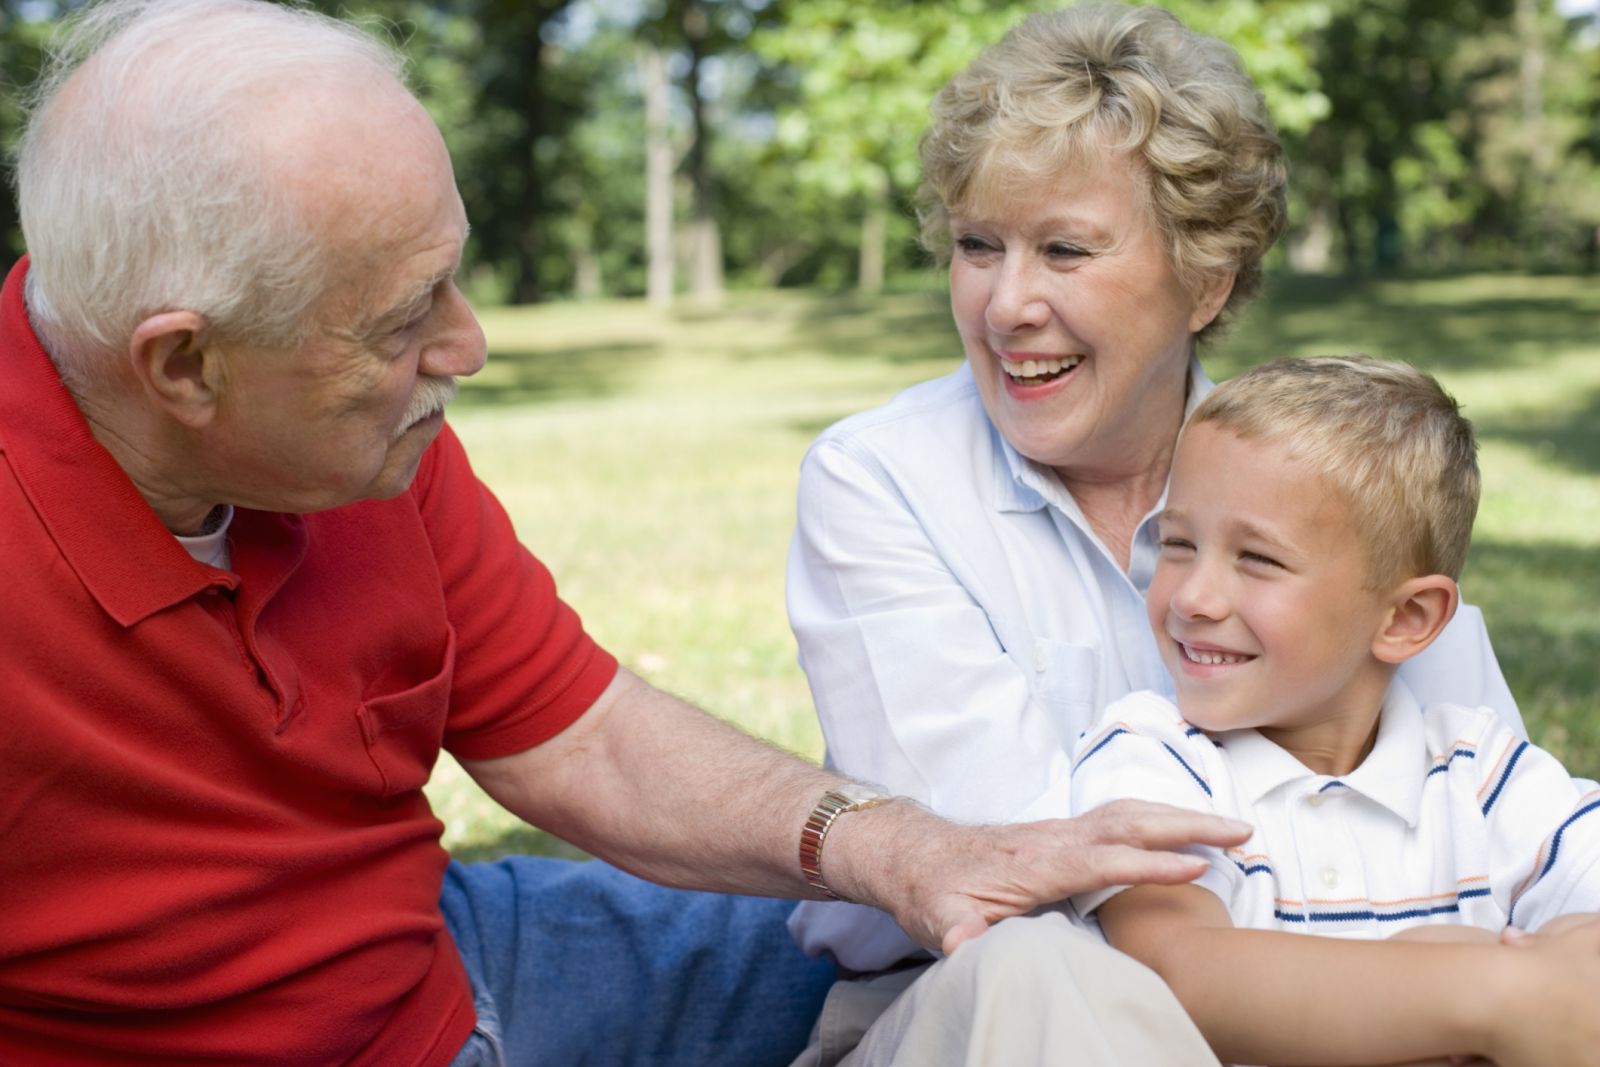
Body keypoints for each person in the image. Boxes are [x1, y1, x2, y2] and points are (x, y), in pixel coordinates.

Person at [0, 1, 1254, 1064]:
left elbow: (582, 737)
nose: (467, 345)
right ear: (184, 365)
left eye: (450, 274)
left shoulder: (369, 446)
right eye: (400, 323)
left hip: (454, 945)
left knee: (964, 952)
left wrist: (900, 848)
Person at [786, 2, 1525, 1061]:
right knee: (1032, 967)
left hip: (1364, 1009)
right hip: (978, 1007)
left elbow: (1490, 796)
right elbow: (1016, 872)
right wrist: (1477, 991)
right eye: (977, 246)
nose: (1006, 304)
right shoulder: (881, 479)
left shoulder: (1322, 485)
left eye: (1066, 250)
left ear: (1205, 279)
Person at [1069, 355, 1600, 1065]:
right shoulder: (1153, 756)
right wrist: (1492, 986)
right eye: (1178, 544)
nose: (1194, 595)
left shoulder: (1484, 776)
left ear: (1407, 617)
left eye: (1256, 558)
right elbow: (1179, 975)